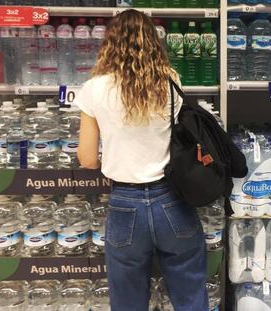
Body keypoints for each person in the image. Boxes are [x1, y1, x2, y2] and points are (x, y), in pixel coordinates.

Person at [75, 9, 208, 311]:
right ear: (153, 41)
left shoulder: (94, 89)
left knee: (128, 300)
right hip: (172, 200)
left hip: (124, 205)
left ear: (110, 42)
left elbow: (87, 159)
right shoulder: (169, 81)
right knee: (190, 293)